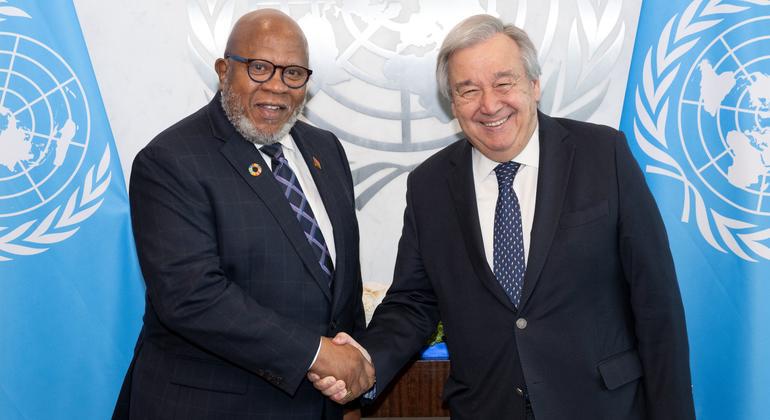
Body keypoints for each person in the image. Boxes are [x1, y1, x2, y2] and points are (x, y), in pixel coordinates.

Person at [311, 14, 695, 420]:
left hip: (603, 407)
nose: (489, 104)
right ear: (452, 103)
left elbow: (657, 305)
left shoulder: (604, 155)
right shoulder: (430, 185)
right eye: (469, 90)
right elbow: (414, 302)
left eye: (503, 83)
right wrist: (368, 363)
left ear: (533, 85)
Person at [113, 9, 373, 420]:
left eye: (293, 73)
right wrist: (316, 354)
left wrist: (350, 393)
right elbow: (191, 297)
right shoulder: (170, 160)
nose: (276, 87)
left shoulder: (326, 150)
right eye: (259, 68)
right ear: (222, 70)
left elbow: (338, 281)